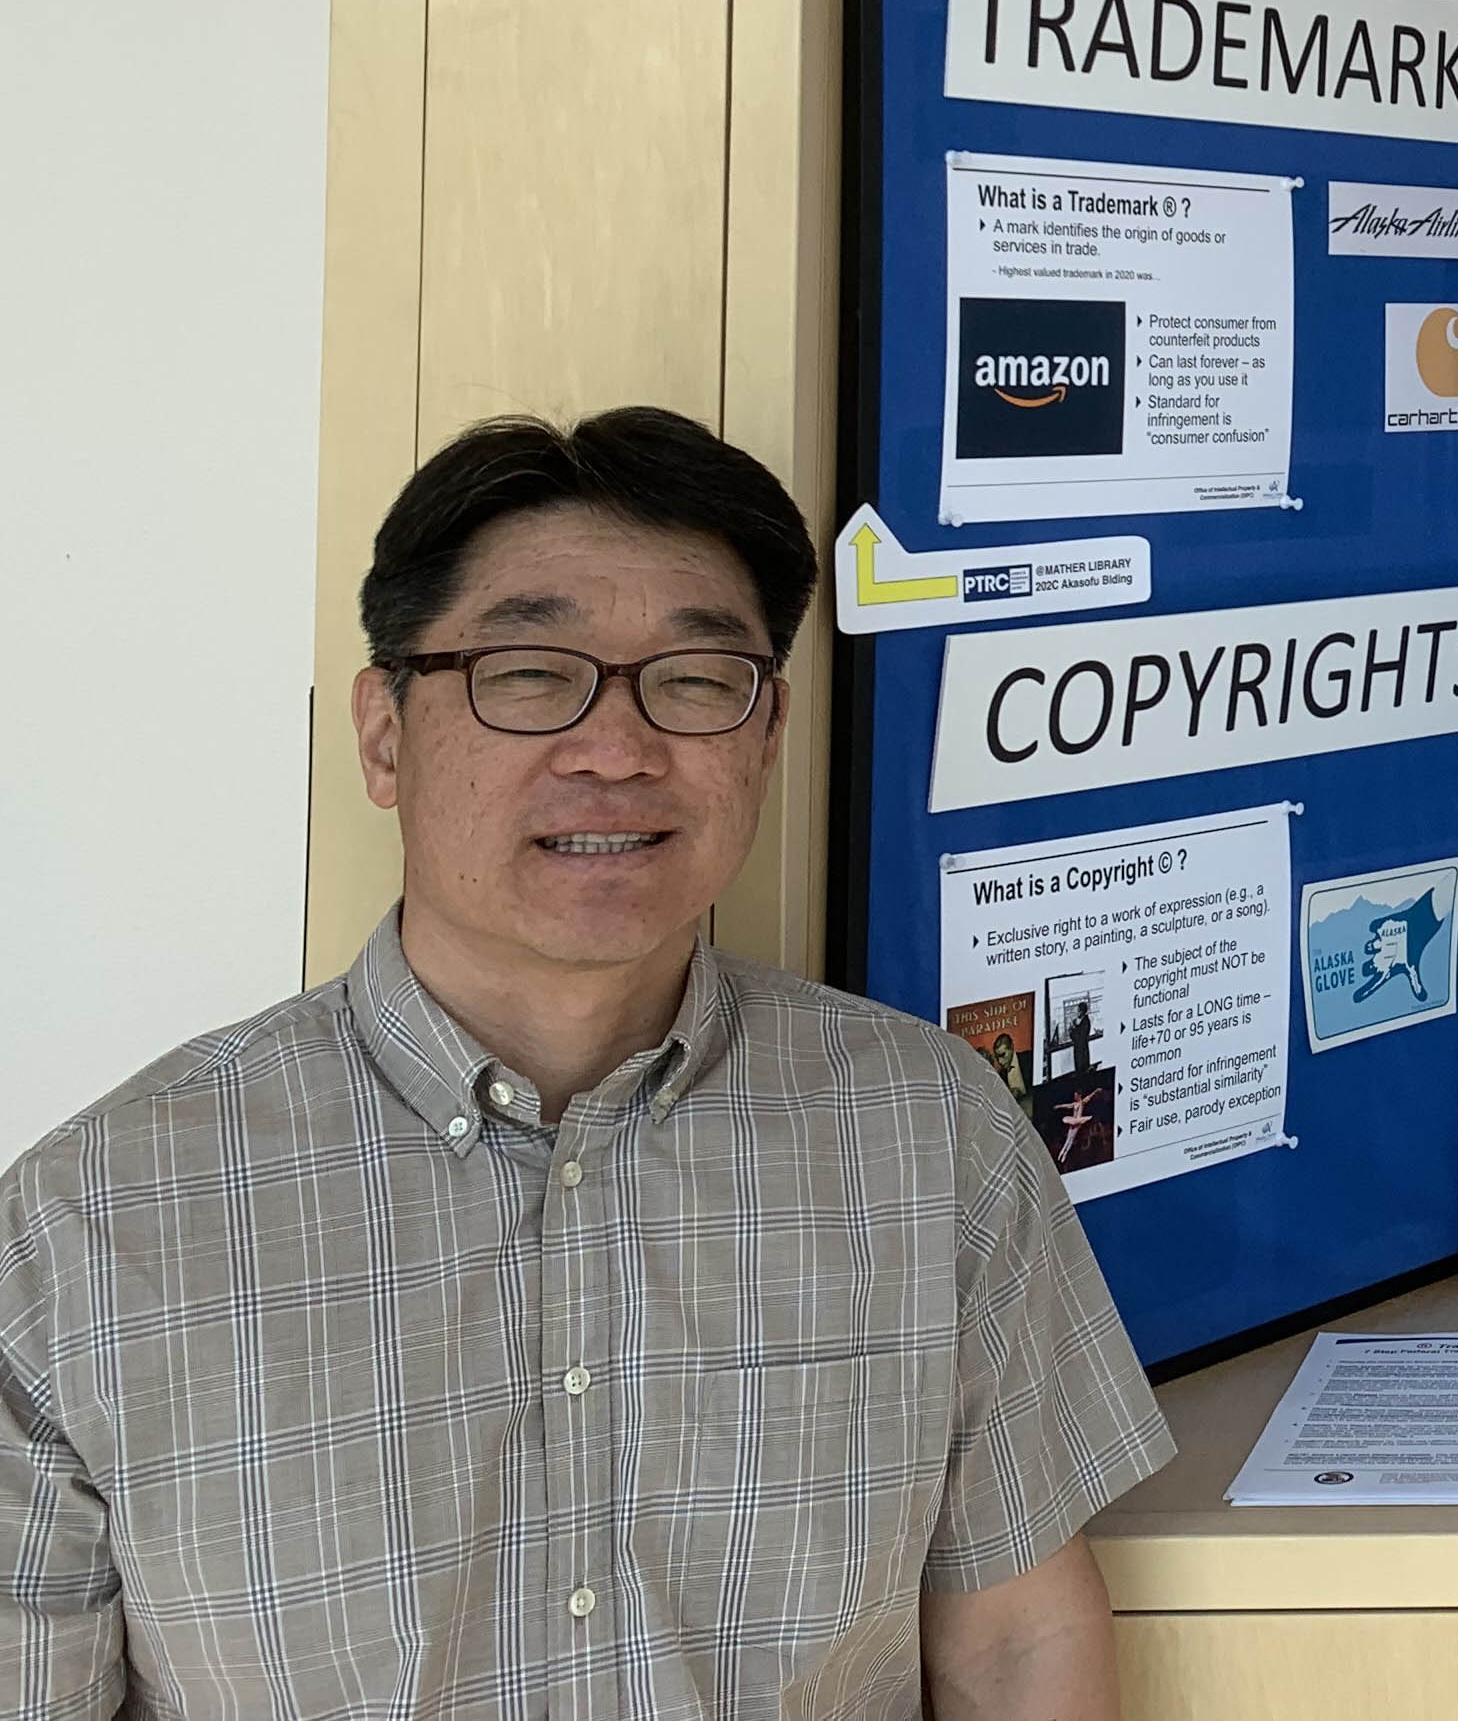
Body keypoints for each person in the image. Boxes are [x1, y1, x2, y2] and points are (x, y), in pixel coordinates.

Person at [0, 408, 1171, 1717]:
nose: (616, 749)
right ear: (385, 732)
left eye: (692, 678)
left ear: (765, 734)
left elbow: (1015, 1640)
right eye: (529, 672)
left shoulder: (928, 1133)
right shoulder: (85, 1229)